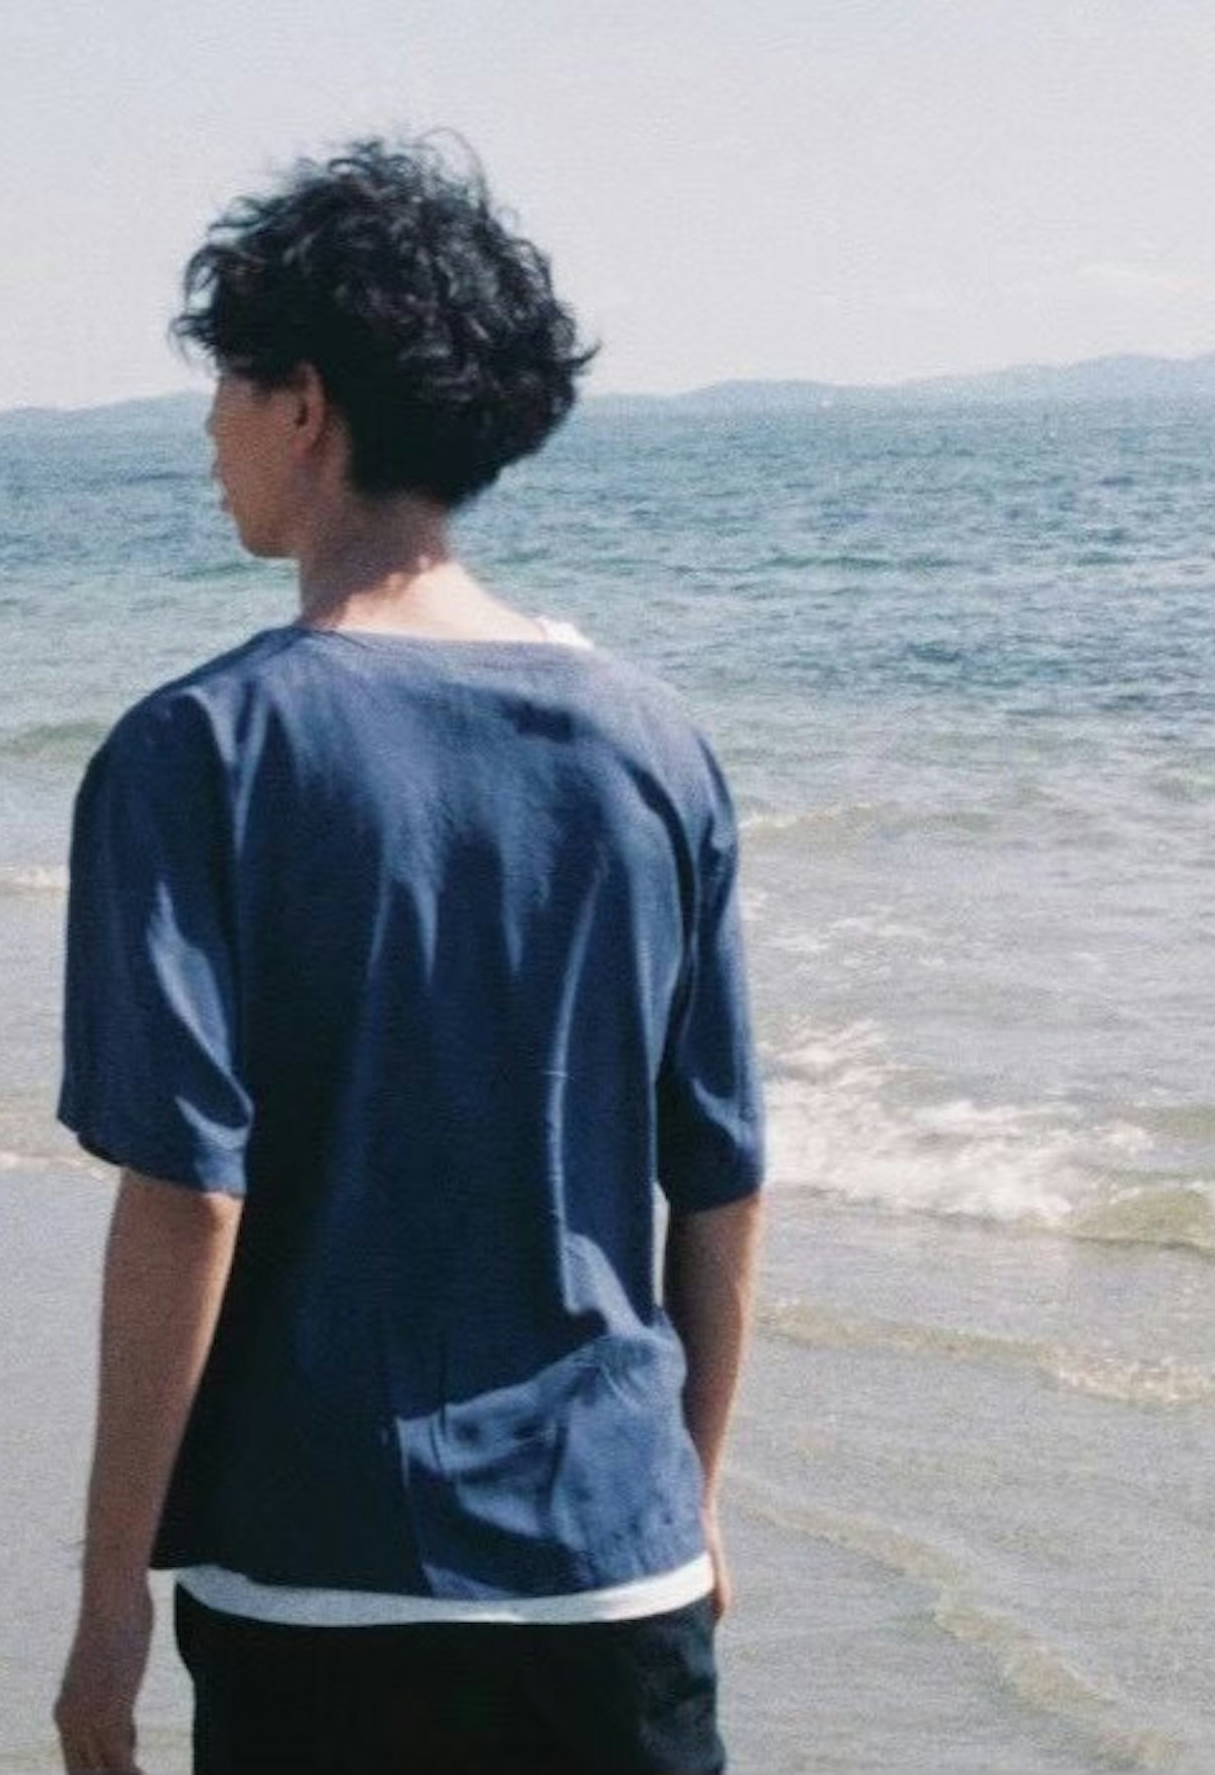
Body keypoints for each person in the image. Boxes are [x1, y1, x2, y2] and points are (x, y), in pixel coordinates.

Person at [50, 137, 767, 1775]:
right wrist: (690, 1500)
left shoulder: (200, 753)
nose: (208, 430)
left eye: (226, 384)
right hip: (619, 1571)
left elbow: (186, 1197)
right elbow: (718, 1182)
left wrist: (108, 1607)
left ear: (305, 405)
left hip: (322, 1583)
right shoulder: (656, 746)